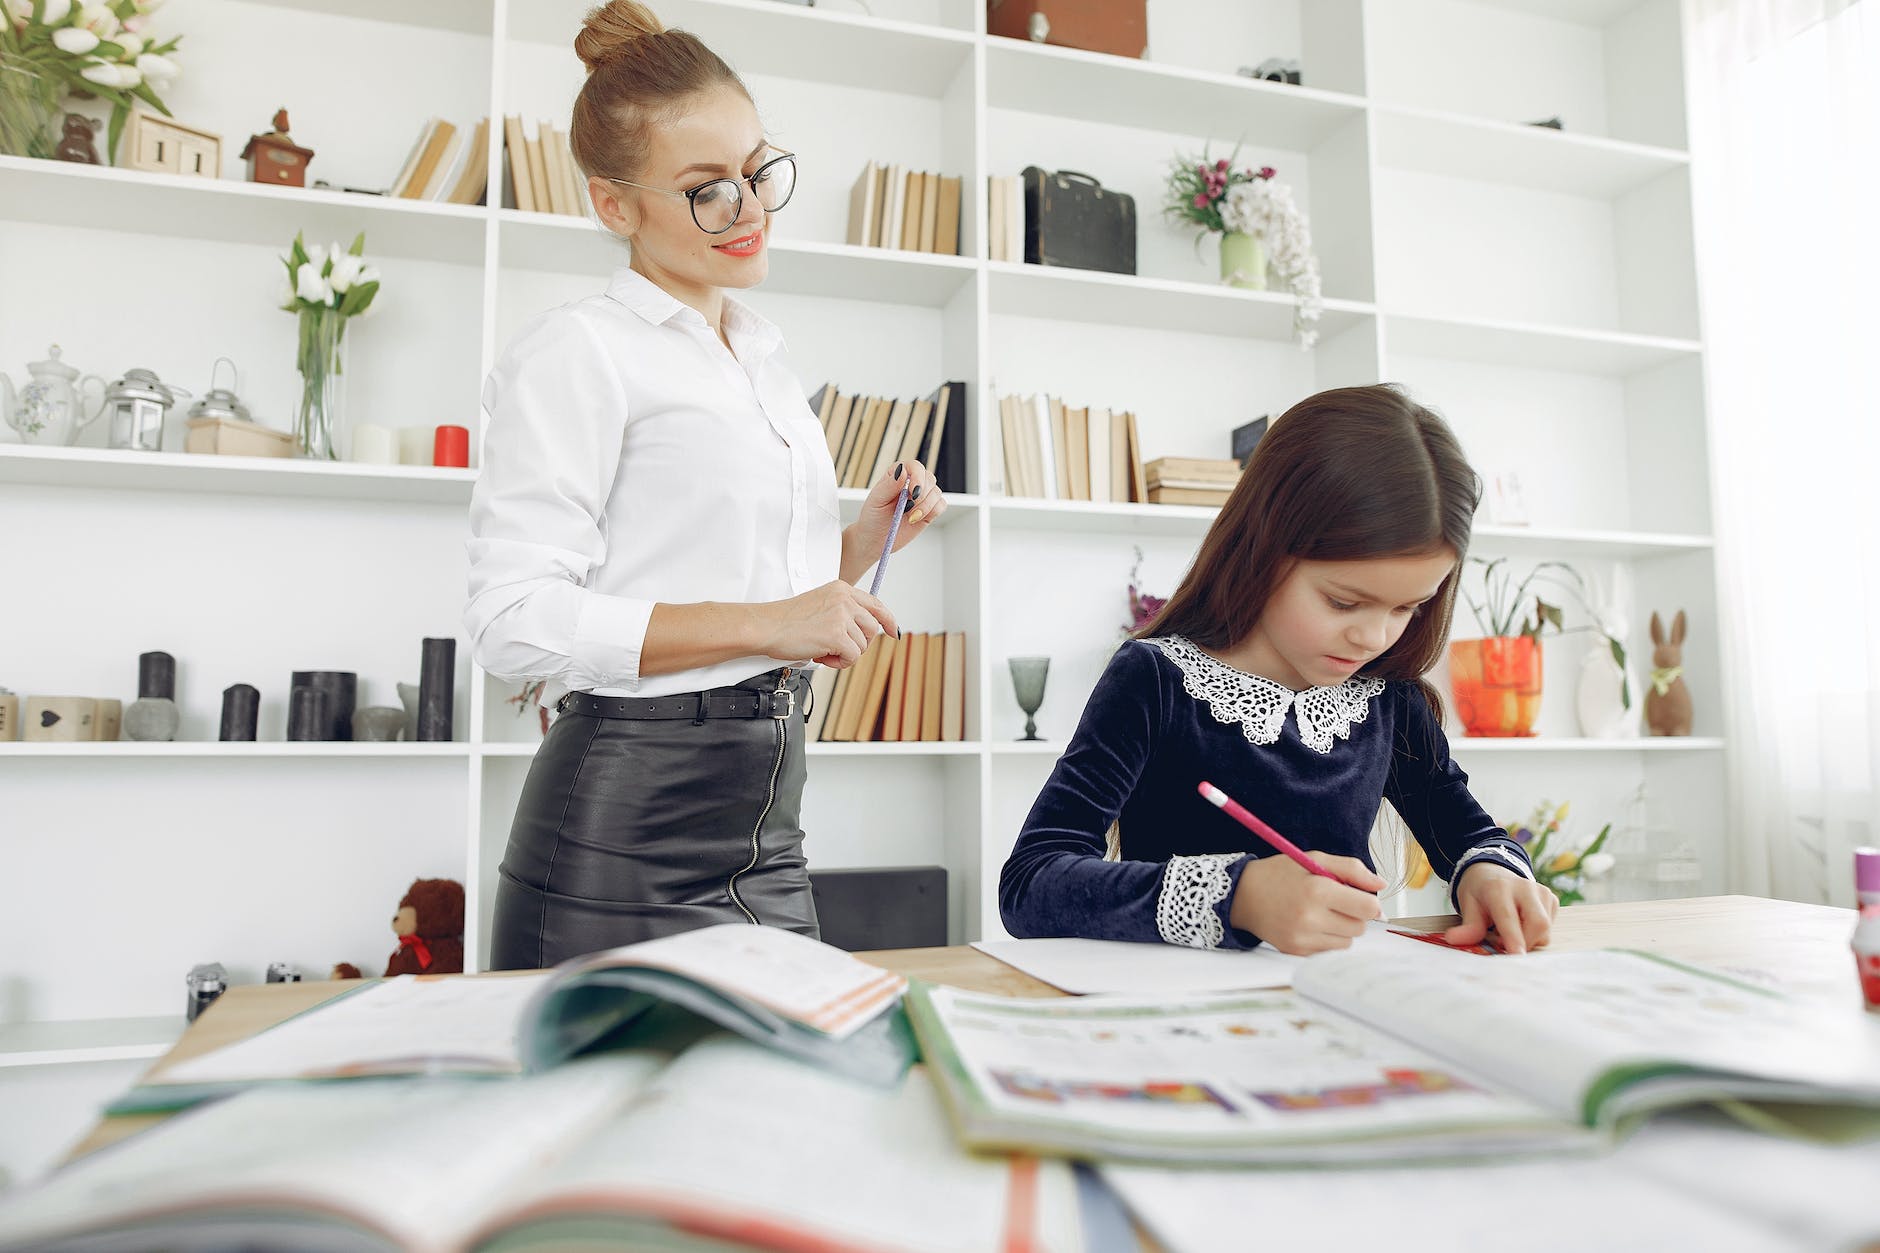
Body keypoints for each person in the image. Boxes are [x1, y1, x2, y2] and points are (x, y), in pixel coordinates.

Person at [466, 0, 946, 969]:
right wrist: (770, 623)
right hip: (618, 836)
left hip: (768, 823)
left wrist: (855, 543)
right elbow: (508, 619)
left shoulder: (761, 360)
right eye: (706, 189)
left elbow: (743, 579)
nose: (752, 209)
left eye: (758, 170)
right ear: (615, 205)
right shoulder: (579, 352)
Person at [999, 384, 1554, 956]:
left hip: (1345, 1005)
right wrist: (1236, 897)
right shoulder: (1155, 680)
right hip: (1181, 1014)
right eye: (1343, 602)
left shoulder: (1389, 700)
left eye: (1407, 608)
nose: (1375, 637)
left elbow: (1468, 833)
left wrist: (1491, 874)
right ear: (1263, 547)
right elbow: (1030, 884)